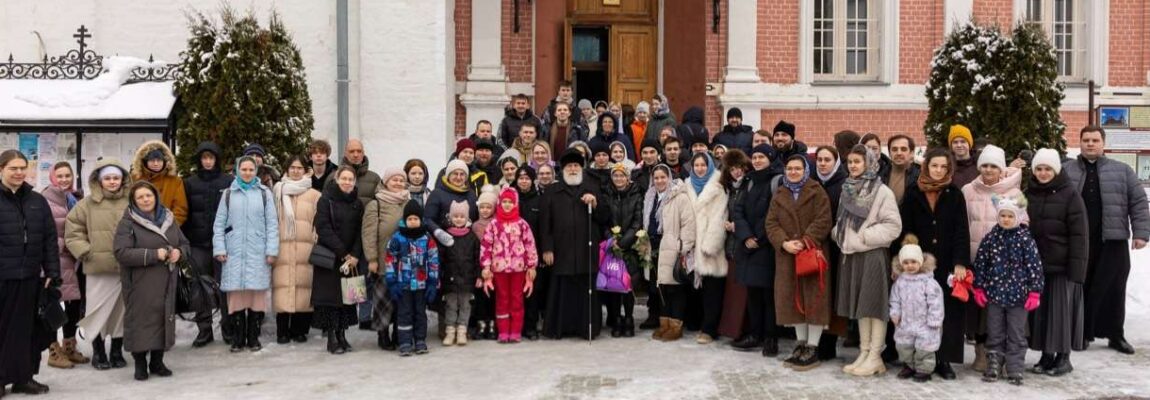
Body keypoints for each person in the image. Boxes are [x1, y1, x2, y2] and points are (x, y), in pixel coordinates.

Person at [1062, 126, 1150, 355]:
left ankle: (1115, 335)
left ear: (1103, 143)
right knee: (1083, 286)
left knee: (1114, 288)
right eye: (1086, 140)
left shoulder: (1122, 170)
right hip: (1080, 241)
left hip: (1113, 239)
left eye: (1095, 140)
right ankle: (1082, 333)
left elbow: (1138, 201)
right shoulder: (1067, 170)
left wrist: (1141, 233)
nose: (1090, 144)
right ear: (1080, 143)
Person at [899, 147, 971, 380]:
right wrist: (909, 256)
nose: (939, 170)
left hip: (948, 262)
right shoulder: (913, 192)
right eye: (934, 165)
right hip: (920, 262)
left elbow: (962, 230)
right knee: (917, 312)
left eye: (943, 166)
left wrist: (960, 262)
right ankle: (914, 361)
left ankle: (944, 359)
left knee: (947, 311)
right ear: (926, 166)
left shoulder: (954, 194)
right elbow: (906, 228)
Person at [831, 146, 902, 377]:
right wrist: (839, 234)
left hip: (872, 254)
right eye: (850, 162)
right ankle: (864, 352)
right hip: (852, 254)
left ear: (869, 163)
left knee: (874, 306)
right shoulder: (847, 188)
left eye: (857, 162)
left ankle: (875, 355)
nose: (853, 166)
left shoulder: (882, 191)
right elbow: (841, 219)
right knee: (862, 307)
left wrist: (864, 237)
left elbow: (893, 226)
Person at [113, 181, 189, 381]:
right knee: (141, 321)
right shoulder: (128, 222)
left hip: (166, 280)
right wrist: (154, 254)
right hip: (140, 282)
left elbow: (184, 243)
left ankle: (157, 361)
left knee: (162, 319)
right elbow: (121, 253)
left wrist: (179, 253)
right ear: (134, 200)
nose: (145, 200)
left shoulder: (169, 219)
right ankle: (140, 363)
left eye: (148, 195)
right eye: (140, 197)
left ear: (155, 197)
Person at [962, 144, 1027, 372]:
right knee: (978, 311)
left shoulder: (1015, 193)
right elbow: (962, 224)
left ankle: (1005, 355)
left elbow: (1024, 224)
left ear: (1001, 169)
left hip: (1005, 265)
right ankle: (981, 353)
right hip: (976, 260)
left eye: (993, 166)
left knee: (1000, 311)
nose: (988, 170)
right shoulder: (968, 190)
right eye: (985, 165)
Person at [766, 154, 833, 371]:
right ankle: (801, 343)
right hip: (787, 255)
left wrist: (805, 241)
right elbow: (771, 223)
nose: (793, 172)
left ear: (805, 171)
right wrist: (783, 243)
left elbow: (824, 219)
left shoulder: (816, 191)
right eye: (789, 168)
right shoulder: (780, 193)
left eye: (797, 168)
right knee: (792, 300)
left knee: (814, 300)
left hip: (812, 253)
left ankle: (812, 347)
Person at [0, 150, 60, 395]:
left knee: (28, 332)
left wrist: (52, 271)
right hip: (3, 277)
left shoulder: (37, 200)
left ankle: (24, 377)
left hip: (31, 277)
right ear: (1, 169)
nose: (19, 172)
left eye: (22, 168)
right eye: (13, 168)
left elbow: (49, 238)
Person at [1025, 149, 1088, 376]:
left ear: (1056, 170)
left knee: (1060, 313)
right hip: (1036, 265)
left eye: (1048, 169)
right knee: (1041, 313)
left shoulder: (1070, 194)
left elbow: (1080, 235)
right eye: (1039, 169)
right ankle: (1046, 355)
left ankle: (1063, 357)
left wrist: (1077, 269)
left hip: (1062, 265)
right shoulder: (1028, 193)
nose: (1043, 173)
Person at [66, 158, 131, 371]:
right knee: (97, 310)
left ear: (123, 179)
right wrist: (85, 251)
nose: (112, 182)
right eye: (108, 178)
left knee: (121, 311)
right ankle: (99, 352)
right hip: (97, 267)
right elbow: (73, 230)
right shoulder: (87, 204)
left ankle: (117, 351)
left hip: (125, 266)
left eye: (116, 178)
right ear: (99, 180)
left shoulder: (131, 202)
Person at [539, 149, 611, 340]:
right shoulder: (552, 191)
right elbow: (545, 224)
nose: (573, 169)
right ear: (563, 170)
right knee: (561, 291)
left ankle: (585, 328)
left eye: (576, 166)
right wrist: (547, 248)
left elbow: (605, 217)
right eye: (569, 166)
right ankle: (560, 328)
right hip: (561, 251)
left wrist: (595, 204)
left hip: (586, 250)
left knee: (585, 291)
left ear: (581, 168)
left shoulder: (592, 188)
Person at [972, 198, 1044, 386]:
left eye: (1010, 216)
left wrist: (1034, 291)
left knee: (1016, 333)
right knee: (994, 332)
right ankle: (994, 364)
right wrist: (979, 287)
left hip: (1019, 298)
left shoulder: (1025, 239)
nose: (1005, 219)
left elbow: (1034, 267)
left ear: (1017, 218)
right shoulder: (990, 238)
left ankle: (1015, 367)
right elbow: (981, 264)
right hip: (994, 295)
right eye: (1002, 215)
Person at [213, 156, 279, 353]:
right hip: (233, 252)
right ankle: (238, 337)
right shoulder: (228, 194)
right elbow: (219, 224)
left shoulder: (264, 194)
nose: (248, 173)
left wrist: (271, 250)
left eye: (251, 169)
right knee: (236, 297)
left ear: (256, 171)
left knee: (256, 297)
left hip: (258, 252)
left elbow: (272, 225)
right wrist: (220, 248)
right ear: (237, 170)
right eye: (244, 169)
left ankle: (253, 337)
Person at [730, 144, 782, 356]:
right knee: (752, 293)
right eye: (755, 157)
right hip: (748, 246)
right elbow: (738, 210)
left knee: (769, 296)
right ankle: (755, 334)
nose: (758, 160)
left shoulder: (777, 181)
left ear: (770, 158)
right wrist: (746, 236)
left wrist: (758, 238)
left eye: (762, 157)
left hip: (767, 247)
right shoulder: (749, 180)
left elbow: (775, 215)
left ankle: (771, 337)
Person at [182, 141, 234, 347]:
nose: (208, 161)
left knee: (225, 286)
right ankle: (204, 330)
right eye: (204, 158)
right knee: (199, 287)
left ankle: (228, 328)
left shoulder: (228, 181)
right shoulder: (189, 183)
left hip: (223, 243)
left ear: (217, 159)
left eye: (211, 158)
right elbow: (185, 213)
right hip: (198, 243)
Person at [312, 166, 365, 355]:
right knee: (331, 300)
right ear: (336, 179)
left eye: (351, 179)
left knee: (347, 300)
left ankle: (342, 334)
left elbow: (360, 231)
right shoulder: (325, 200)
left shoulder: (357, 203)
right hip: (330, 257)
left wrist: (355, 255)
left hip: (350, 260)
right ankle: (332, 337)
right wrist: (343, 252)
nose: (347, 182)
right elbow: (323, 228)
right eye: (344, 178)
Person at [41, 162, 88, 368]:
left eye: (67, 175)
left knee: (74, 304)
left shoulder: (76, 198)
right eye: (59, 176)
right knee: (53, 306)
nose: (64, 179)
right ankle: (53, 351)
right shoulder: (44, 200)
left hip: (76, 260)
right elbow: (42, 233)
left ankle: (69, 346)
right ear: (52, 177)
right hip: (56, 259)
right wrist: (67, 245)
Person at [271, 156, 322, 344]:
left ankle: (300, 330)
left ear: (306, 170)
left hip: (306, 247)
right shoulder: (277, 191)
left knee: (304, 287)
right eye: (292, 167)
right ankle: (282, 331)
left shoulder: (314, 195)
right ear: (286, 169)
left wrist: (316, 240)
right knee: (283, 288)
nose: (295, 171)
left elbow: (319, 221)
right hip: (282, 247)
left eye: (299, 168)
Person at [681, 152, 729, 345]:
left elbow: (720, 218)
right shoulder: (686, 186)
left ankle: (710, 329)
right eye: (697, 165)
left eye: (703, 165)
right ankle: (695, 322)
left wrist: (710, 245)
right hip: (691, 246)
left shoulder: (718, 187)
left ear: (709, 166)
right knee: (694, 288)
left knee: (712, 291)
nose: (700, 169)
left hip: (710, 248)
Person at [480, 187, 539, 343]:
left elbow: (530, 245)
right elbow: (486, 246)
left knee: (517, 299)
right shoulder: (493, 225)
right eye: (504, 201)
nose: (507, 204)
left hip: (518, 269)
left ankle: (516, 331)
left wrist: (532, 266)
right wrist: (486, 267)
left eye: (510, 202)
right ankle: (503, 331)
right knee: (502, 299)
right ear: (499, 203)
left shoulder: (522, 224)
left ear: (515, 204)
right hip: (499, 269)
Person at [362, 168, 411, 350]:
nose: (398, 183)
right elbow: (368, 234)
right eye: (394, 180)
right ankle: (382, 334)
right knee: (383, 300)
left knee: (402, 301)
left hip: (405, 261)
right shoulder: (376, 204)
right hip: (383, 260)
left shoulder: (409, 202)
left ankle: (399, 332)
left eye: (401, 180)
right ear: (385, 182)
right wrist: (372, 259)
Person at [385, 201, 440, 356]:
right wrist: (392, 282)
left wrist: (432, 282)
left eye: (416, 219)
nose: (413, 221)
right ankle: (405, 342)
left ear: (421, 220)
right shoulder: (397, 238)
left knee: (420, 313)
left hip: (422, 285)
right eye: (410, 219)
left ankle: (420, 340)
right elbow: (390, 260)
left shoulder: (427, 238)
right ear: (405, 220)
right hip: (403, 285)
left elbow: (434, 260)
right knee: (404, 313)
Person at [889, 235, 944, 383]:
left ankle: (924, 369)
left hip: (924, 323)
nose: (910, 266)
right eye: (906, 263)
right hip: (905, 322)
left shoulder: (928, 282)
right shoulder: (900, 282)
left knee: (924, 347)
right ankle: (909, 365)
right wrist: (895, 313)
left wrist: (935, 319)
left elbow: (936, 302)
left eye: (913, 262)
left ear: (920, 262)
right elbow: (895, 300)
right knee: (904, 345)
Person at [812, 145, 849, 357]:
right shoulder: (812, 182)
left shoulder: (844, 184)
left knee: (833, 293)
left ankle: (829, 343)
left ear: (836, 162)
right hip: (814, 245)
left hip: (835, 247)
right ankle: (814, 340)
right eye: (819, 160)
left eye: (827, 160)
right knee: (816, 293)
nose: (823, 163)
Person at [652, 164, 695, 342]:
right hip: (657, 248)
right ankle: (665, 324)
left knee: (675, 288)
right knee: (662, 288)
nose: (660, 181)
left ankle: (676, 326)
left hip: (674, 248)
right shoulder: (651, 197)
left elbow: (689, 224)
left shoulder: (680, 197)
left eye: (663, 177)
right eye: (656, 178)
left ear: (669, 178)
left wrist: (682, 246)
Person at [600, 163, 644, 338]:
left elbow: (637, 222)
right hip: (612, 247)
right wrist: (612, 240)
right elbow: (604, 221)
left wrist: (624, 242)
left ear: (628, 178)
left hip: (630, 247)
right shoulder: (607, 195)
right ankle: (616, 318)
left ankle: (629, 318)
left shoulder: (636, 195)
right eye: (615, 176)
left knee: (628, 284)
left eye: (622, 176)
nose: (619, 179)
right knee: (614, 284)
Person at [717, 150, 750, 340]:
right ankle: (732, 330)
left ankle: (742, 331)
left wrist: (737, 226)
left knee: (743, 293)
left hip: (745, 245)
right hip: (731, 246)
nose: (736, 172)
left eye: (739, 167)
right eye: (732, 169)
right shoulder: (730, 189)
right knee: (733, 292)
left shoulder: (749, 186)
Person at [440, 201, 479, 346]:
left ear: (467, 218)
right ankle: (450, 331)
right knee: (450, 305)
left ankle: (462, 330)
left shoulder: (472, 237)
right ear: (451, 217)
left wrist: (478, 275)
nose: (458, 219)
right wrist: (440, 275)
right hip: (450, 278)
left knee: (465, 305)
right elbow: (441, 258)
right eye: (455, 216)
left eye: (462, 216)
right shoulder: (445, 236)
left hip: (467, 279)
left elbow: (477, 258)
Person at [515, 167, 546, 340]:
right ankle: (517, 325)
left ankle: (531, 326)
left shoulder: (540, 200)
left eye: (527, 178)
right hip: (513, 254)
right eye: (521, 178)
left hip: (533, 254)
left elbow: (544, 229)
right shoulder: (511, 198)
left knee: (533, 291)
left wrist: (542, 252)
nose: (524, 181)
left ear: (532, 180)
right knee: (516, 292)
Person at [424, 159, 480, 248]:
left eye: (462, 174)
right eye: (455, 174)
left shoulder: (471, 194)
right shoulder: (437, 194)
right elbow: (427, 219)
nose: (458, 177)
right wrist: (438, 232)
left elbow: (476, 218)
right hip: (443, 245)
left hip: (467, 245)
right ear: (448, 175)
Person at [130, 141, 188, 226]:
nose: (156, 164)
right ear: (144, 161)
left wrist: (168, 227)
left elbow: (180, 210)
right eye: (152, 160)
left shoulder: (175, 181)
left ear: (165, 161)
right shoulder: (135, 179)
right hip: (138, 227)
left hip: (166, 229)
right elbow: (128, 205)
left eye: (159, 160)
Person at [469, 185, 498, 340]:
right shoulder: (475, 226)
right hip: (480, 268)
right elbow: (474, 249)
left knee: (493, 297)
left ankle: (492, 325)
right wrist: (478, 270)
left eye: (489, 207)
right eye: (482, 207)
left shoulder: (497, 224)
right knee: (480, 297)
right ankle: (481, 325)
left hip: (495, 267)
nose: (485, 210)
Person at [329, 139, 382, 206]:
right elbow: (326, 204)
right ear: (345, 154)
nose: (356, 155)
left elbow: (381, 205)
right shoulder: (333, 177)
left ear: (363, 153)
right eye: (351, 151)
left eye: (359, 151)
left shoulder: (374, 179)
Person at [882, 134, 920, 205]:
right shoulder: (880, 175)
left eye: (903, 149)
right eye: (894, 149)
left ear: (911, 153)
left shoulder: (920, 176)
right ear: (889, 153)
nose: (899, 153)